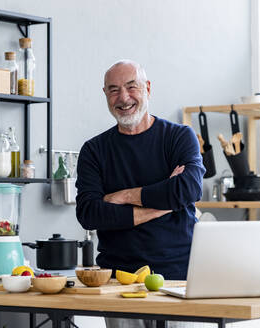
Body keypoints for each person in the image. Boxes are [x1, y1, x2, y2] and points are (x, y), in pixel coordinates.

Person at [75, 60, 205, 328]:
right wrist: (164, 203)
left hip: (180, 279)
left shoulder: (180, 136)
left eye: (131, 87)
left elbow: (188, 188)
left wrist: (122, 197)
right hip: (119, 281)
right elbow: (89, 213)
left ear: (147, 88)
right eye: (114, 90)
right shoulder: (94, 150)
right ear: (105, 95)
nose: (123, 98)